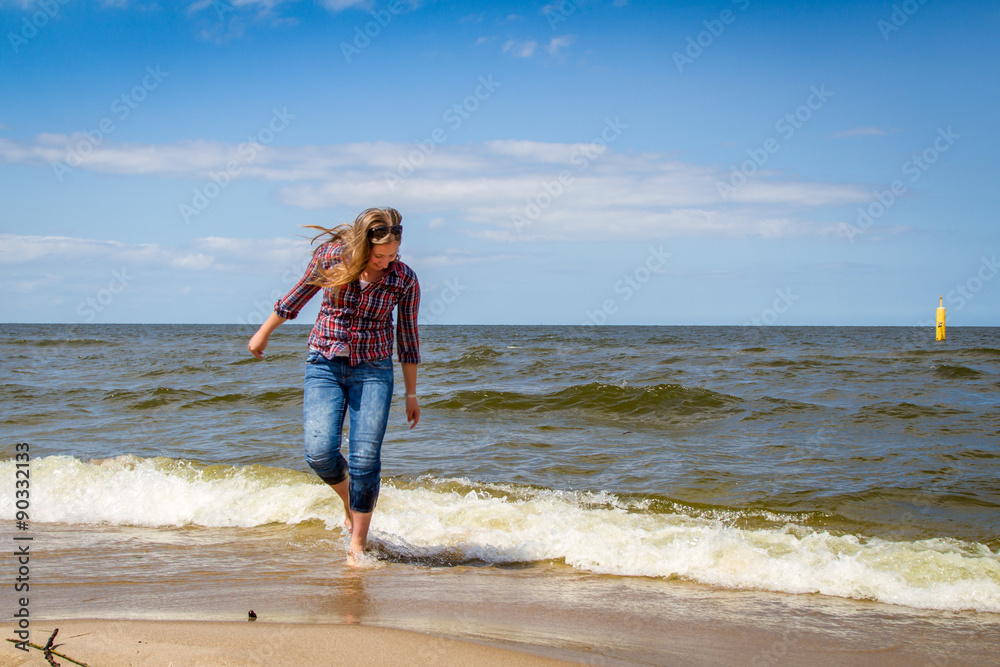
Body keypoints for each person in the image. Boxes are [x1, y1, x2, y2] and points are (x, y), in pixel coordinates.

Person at [247, 207, 420, 564]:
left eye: (393, 255)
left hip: (373, 369)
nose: (387, 263)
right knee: (319, 452)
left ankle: (356, 545)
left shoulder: (403, 279)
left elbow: (407, 337)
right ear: (362, 247)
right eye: (380, 256)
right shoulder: (330, 258)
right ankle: (348, 499)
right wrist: (263, 333)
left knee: (365, 459)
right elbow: (297, 297)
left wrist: (411, 393)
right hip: (324, 363)